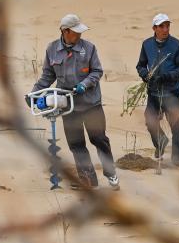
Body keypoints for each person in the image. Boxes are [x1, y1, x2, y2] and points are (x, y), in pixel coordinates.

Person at [28, 14, 120, 190]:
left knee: (99, 139)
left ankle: (111, 174)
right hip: (68, 106)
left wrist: (85, 84)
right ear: (65, 31)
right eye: (76, 32)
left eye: (80, 31)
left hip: (91, 104)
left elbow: (97, 72)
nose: (79, 35)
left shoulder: (89, 48)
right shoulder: (52, 49)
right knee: (76, 145)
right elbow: (47, 76)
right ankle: (88, 180)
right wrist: (33, 95)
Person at [136, 13, 179, 167]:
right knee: (150, 120)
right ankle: (161, 141)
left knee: (176, 125)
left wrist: (167, 76)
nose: (165, 29)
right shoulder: (147, 44)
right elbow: (140, 65)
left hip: (172, 92)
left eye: (167, 26)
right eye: (161, 26)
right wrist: (145, 75)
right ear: (154, 28)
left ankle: (178, 158)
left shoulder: (177, 45)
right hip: (154, 92)